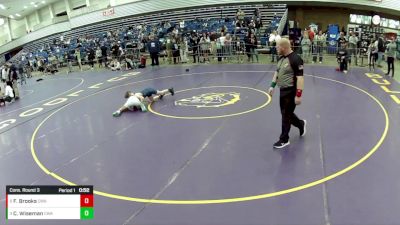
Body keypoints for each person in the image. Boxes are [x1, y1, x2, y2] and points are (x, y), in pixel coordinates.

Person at [267, 38, 306, 149]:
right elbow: (277, 72)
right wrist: (272, 86)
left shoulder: (296, 59)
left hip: (291, 91)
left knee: (285, 115)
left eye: (277, 46)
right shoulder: (281, 59)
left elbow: (300, 78)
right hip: (282, 91)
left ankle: (284, 139)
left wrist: (298, 95)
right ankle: (300, 124)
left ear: (283, 47)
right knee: (286, 114)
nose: (276, 48)